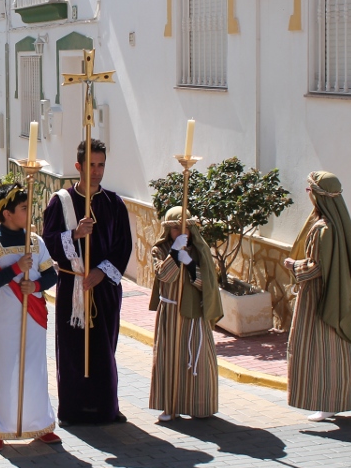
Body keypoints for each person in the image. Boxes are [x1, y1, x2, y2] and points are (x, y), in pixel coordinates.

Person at [42, 139, 133, 426]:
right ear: (78, 166)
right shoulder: (62, 202)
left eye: (101, 165)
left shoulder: (114, 204)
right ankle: (74, 410)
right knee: (72, 349)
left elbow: (124, 246)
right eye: (91, 165)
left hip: (104, 289)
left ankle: (106, 406)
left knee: (104, 347)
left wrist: (102, 272)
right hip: (73, 287)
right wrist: (74, 235)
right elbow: (48, 242)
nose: (96, 171)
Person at [282, 171, 351, 422]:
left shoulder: (322, 228)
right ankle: (336, 401)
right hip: (337, 294)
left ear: (318, 195)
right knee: (335, 350)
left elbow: (316, 267)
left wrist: (292, 265)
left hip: (319, 297)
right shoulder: (338, 223)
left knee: (320, 350)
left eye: (310, 190)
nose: (308, 194)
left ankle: (327, 403)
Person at [0, 182, 60, 452]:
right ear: (7, 213)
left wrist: (34, 286)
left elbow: (51, 274)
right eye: (23, 208)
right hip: (3, 321)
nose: (28, 213)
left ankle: (40, 424)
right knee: (3, 370)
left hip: (33, 317)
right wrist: (14, 270)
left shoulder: (35, 241)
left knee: (34, 369)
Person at [148, 207, 223, 421]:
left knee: (195, 359)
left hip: (194, 312)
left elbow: (206, 284)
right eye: (174, 229)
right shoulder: (159, 250)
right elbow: (164, 275)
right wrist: (174, 253)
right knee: (169, 357)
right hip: (170, 312)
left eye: (184, 228)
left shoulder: (200, 250)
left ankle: (198, 404)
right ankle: (169, 406)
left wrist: (190, 265)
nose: (181, 233)